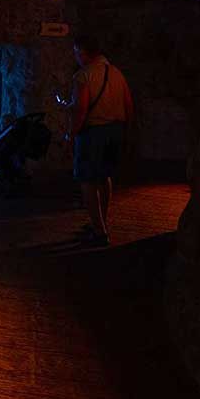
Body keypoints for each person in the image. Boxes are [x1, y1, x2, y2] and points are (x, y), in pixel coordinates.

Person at [63, 34, 134, 246]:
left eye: (76, 52)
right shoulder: (117, 73)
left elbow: (81, 110)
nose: (75, 56)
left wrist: (71, 133)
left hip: (93, 132)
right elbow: (129, 106)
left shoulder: (83, 76)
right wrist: (127, 132)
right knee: (105, 177)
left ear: (83, 52)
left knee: (88, 180)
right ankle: (102, 221)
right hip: (116, 130)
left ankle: (99, 230)